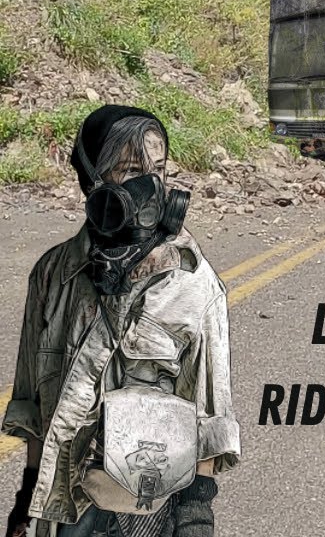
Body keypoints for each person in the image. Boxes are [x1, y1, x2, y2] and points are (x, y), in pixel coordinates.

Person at [4, 105, 240, 537]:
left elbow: (210, 416)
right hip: (67, 508)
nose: (150, 185)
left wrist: (195, 517)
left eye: (159, 169)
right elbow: (33, 405)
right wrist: (26, 497)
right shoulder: (53, 276)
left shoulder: (194, 282)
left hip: (152, 509)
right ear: (92, 182)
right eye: (131, 169)